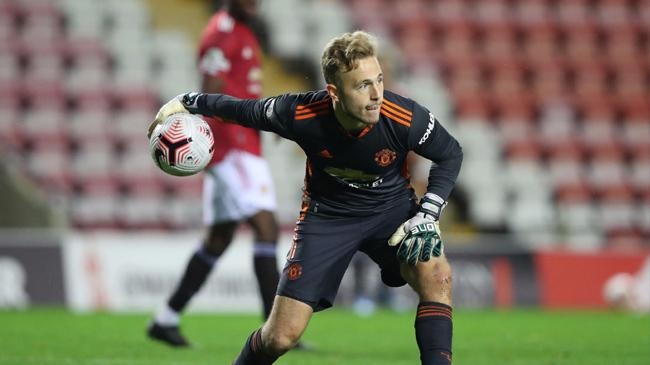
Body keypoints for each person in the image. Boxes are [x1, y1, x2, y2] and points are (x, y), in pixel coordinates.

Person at [149, 30, 463, 364]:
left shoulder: (405, 117)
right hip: (327, 218)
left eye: (379, 80)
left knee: (437, 275)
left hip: (390, 212)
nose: (376, 95)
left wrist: (427, 213)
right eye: (362, 85)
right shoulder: (300, 113)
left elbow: (450, 153)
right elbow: (242, 110)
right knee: (281, 336)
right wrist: (187, 101)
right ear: (334, 92)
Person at [146, 0, 283, 348]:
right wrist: (253, 119)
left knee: (219, 237)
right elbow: (211, 88)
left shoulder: (241, 30)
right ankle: (277, 330)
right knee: (265, 226)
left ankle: (166, 318)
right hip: (229, 144)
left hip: (242, 141)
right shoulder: (221, 34)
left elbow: (240, 87)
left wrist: (267, 119)